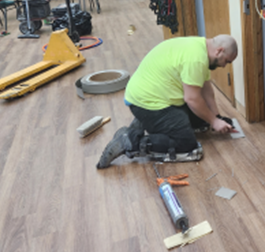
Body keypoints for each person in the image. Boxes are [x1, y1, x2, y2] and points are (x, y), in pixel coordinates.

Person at [97, 34, 238, 169]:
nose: (225, 66)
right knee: (186, 144)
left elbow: (206, 89)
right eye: (227, 61)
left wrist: (216, 117)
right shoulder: (196, 59)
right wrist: (214, 121)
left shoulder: (200, 48)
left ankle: (145, 121)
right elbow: (192, 98)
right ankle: (130, 141)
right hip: (147, 103)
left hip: (152, 94)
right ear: (219, 51)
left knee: (202, 120)